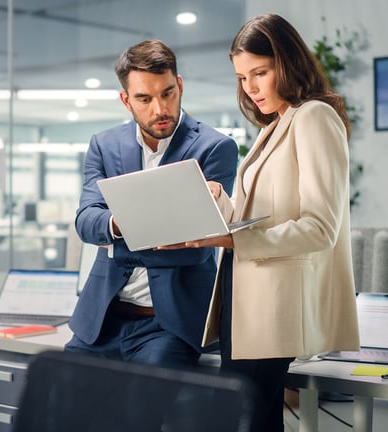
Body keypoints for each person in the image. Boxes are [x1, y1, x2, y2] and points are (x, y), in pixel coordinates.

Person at [161, 14, 360, 432]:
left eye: (260, 72)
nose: (250, 87)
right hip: (246, 296)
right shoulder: (276, 125)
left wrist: (233, 241)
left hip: (274, 304)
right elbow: (267, 215)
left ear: (286, 63)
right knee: (255, 420)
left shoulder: (313, 117)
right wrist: (221, 203)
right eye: (242, 77)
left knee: (242, 420)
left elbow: (321, 228)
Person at [65, 39, 238, 371]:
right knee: (58, 407)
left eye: (168, 93)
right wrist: (128, 225)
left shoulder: (214, 148)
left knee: (139, 413)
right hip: (101, 320)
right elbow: (87, 222)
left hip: (168, 326)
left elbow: (196, 249)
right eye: (144, 98)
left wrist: (115, 242)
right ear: (126, 100)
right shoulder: (104, 145)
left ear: (180, 85)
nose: (160, 109)